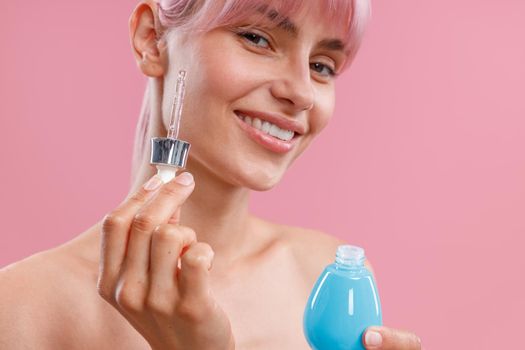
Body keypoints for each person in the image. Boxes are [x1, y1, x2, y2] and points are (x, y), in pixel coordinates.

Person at [0, 0, 422, 349]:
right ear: (151, 40)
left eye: (323, 65)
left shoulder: (327, 278)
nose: (301, 92)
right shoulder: (21, 309)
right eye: (257, 38)